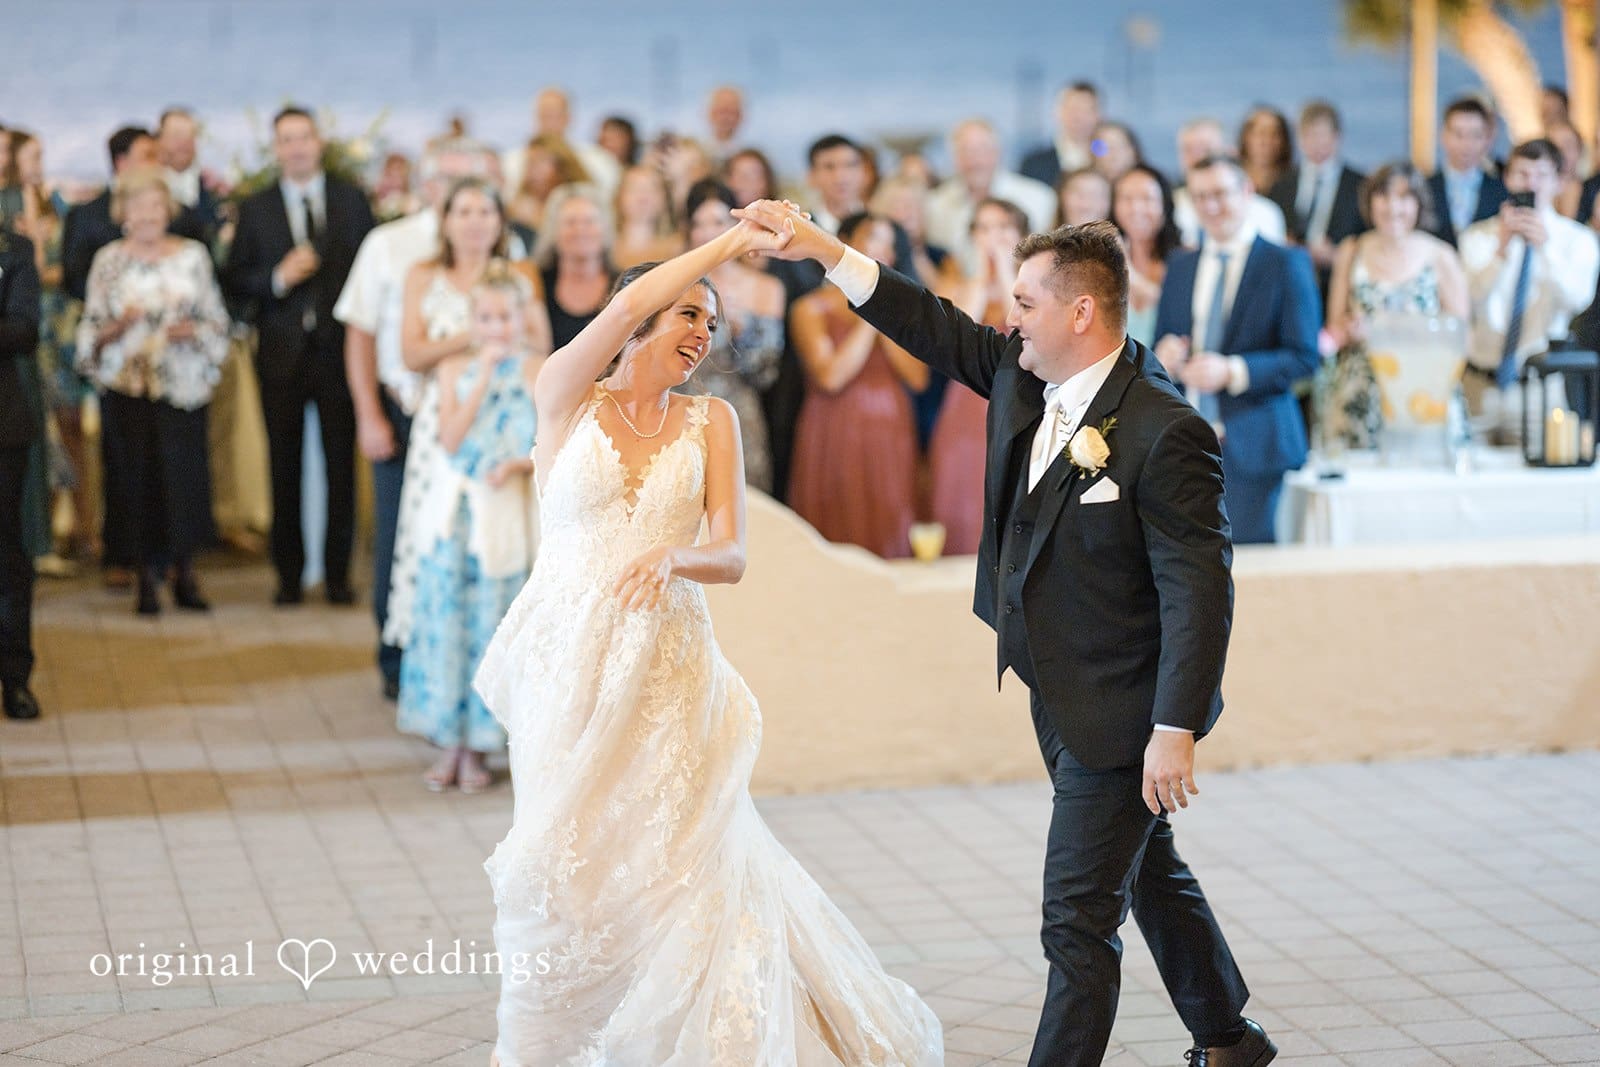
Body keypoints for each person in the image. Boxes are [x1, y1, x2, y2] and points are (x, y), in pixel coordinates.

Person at [738, 198, 1270, 1067]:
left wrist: (1173, 731)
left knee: (1076, 921)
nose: (1007, 315)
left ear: (1080, 312)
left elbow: (1198, 593)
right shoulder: (1026, 376)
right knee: (1146, 870)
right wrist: (822, 248)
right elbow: (927, 321)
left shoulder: (1164, 431)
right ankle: (1228, 1040)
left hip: (1124, 710)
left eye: (1024, 301)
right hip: (1055, 689)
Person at [476, 211, 942, 1067]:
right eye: (689, 314)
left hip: (670, 667)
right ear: (640, 316)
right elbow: (617, 317)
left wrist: (675, 553)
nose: (703, 333)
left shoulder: (712, 422)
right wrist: (728, 247)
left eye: (712, 321)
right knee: (570, 862)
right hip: (567, 664)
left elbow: (730, 553)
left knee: (677, 864)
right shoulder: (565, 397)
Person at [335, 138, 503, 701]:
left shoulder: (502, 249)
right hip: (405, 412)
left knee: (473, 538)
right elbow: (360, 334)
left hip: (486, 420)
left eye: (469, 183)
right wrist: (368, 414)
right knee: (401, 536)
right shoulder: (388, 244)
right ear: (426, 186)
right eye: (446, 181)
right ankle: (396, 657)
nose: (457, 194)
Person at [383, 178, 547, 687]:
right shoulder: (423, 274)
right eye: (464, 211)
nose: (475, 221)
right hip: (448, 412)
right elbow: (410, 354)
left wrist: (505, 345)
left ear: (499, 220)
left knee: (508, 545)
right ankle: (432, 664)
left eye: (485, 211)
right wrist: (474, 338)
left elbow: (542, 343)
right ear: (446, 219)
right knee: (434, 533)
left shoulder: (520, 273)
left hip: (511, 411)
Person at [224, 106, 376, 605]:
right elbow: (235, 281)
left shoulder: (351, 201)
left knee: (340, 468)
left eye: (303, 138)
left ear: (318, 143)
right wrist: (277, 279)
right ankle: (287, 577)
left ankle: (337, 576)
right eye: (286, 140)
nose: (296, 147)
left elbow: (370, 276)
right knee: (282, 465)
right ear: (276, 149)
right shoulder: (257, 206)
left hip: (339, 355)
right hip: (282, 355)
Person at [399, 265, 540, 794]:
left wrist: (515, 466)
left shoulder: (537, 368)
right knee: (448, 621)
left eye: (505, 317)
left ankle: (480, 745)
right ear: (473, 321)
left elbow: (547, 442)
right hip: (454, 515)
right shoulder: (454, 367)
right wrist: (481, 373)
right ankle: (448, 742)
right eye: (485, 317)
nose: (496, 327)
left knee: (491, 621)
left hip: (503, 510)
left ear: (520, 318)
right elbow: (451, 438)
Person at [75, 168, 231, 615]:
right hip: (128, 386)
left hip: (182, 386)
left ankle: (186, 572)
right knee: (135, 481)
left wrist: (195, 331)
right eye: (138, 207)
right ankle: (144, 574)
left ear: (169, 210)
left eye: (156, 206)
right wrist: (117, 327)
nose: (148, 215)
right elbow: (90, 328)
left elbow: (217, 318)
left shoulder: (193, 257)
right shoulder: (109, 261)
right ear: (123, 212)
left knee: (185, 479)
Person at [1154, 155, 1320, 544]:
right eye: (1200, 197)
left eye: (1220, 194)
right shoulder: (1181, 265)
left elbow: (1305, 358)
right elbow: (1166, 339)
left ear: (1247, 192)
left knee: (1251, 579)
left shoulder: (1284, 263)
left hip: (1253, 444)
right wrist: (1165, 355)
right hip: (1185, 445)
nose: (1210, 207)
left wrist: (1232, 371)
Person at [787, 213, 925, 557]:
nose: (881, 251)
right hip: (832, 423)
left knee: (890, 520)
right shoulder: (810, 308)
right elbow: (831, 377)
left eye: (888, 246)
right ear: (844, 242)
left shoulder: (906, 310)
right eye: (872, 238)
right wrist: (870, 312)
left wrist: (883, 307)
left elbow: (918, 377)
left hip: (890, 426)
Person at [1323, 163, 1470, 449]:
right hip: (1362, 390)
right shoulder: (1351, 250)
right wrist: (1349, 331)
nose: (1393, 207)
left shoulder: (1440, 255)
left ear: (1418, 204)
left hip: (1424, 391)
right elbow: (1334, 326)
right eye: (1384, 196)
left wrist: (1389, 329)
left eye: (1404, 198)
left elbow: (1461, 335)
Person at [1459, 138, 1600, 430]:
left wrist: (1545, 249)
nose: (1531, 184)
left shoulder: (1576, 241)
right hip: (1479, 385)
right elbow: (1467, 301)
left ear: (1560, 182)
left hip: (1541, 389)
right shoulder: (1477, 237)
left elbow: (1577, 300)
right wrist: (1500, 250)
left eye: (1542, 175)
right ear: (1508, 178)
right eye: (1522, 174)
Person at [930, 197, 1027, 556]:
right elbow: (957, 339)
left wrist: (1004, 270)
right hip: (965, 405)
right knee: (963, 493)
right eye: (984, 228)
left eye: (1002, 227)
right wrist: (982, 277)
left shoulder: (1035, 288)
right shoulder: (958, 283)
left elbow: (1019, 324)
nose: (993, 237)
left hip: (1015, 400)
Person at [677, 181, 784, 492]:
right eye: (699, 223)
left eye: (718, 222)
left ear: (736, 225)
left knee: (745, 509)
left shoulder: (766, 287)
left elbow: (766, 374)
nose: (708, 232)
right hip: (682, 409)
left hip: (739, 415)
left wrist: (742, 330)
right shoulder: (675, 283)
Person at [0, 228, 41, 719]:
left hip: (4, 425)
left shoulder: (15, 251)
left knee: (7, 549)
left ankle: (15, 676)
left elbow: (25, 329)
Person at [926, 119, 1056, 272]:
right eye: (965, 151)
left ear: (998, 152)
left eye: (982, 150)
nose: (975, 160)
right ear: (954, 157)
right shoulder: (935, 205)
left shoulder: (1039, 198)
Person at [1268, 101, 1367, 294]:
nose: (1316, 143)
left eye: (1322, 135)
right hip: (1290, 283)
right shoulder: (1281, 184)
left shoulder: (1360, 186)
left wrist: (1338, 256)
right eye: (1310, 135)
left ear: (1337, 137)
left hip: (1341, 283)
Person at [1171, 117, 1287, 246]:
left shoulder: (1264, 213)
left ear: (1229, 152)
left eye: (1206, 149)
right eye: (1188, 150)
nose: (1197, 158)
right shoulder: (1170, 207)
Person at [531, 184, 617, 349]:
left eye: (589, 221)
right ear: (553, 231)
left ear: (605, 229)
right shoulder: (536, 282)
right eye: (570, 222)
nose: (580, 230)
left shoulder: (625, 284)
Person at [1114, 163, 1183, 347]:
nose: (1136, 208)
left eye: (1147, 199)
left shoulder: (1186, 259)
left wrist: (1130, 273)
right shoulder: (1104, 261)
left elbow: (1183, 314)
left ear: (1164, 205)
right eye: (1127, 198)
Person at [1426, 97, 1507, 247]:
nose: (1466, 144)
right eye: (1459, 134)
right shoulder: (1425, 188)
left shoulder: (1502, 191)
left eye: (1475, 135)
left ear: (1487, 139)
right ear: (1443, 136)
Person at [505, 134, 589, 251]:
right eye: (529, 163)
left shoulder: (582, 201)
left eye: (540, 162)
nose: (532, 170)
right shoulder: (518, 208)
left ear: (562, 166)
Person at [1020, 80, 1100, 188]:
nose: (1079, 117)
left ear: (1099, 115)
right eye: (1074, 110)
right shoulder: (1034, 163)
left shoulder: (1106, 159)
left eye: (1087, 111)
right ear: (1058, 112)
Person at [610, 165, 683, 269]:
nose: (643, 197)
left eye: (652, 189)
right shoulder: (605, 248)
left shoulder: (678, 248)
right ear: (619, 197)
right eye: (634, 189)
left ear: (664, 199)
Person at [1238, 106, 1294, 200]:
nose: (1267, 141)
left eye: (1274, 134)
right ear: (1245, 137)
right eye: (1260, 133)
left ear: (1284, 141)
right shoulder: (1229, 177)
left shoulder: (1297, 182)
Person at [705, 84, 745, 164]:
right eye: (721, 111)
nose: (725, 118)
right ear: (710, 114)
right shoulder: (697, 154)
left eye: (731, 112)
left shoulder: (749, 156)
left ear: (740, 116)